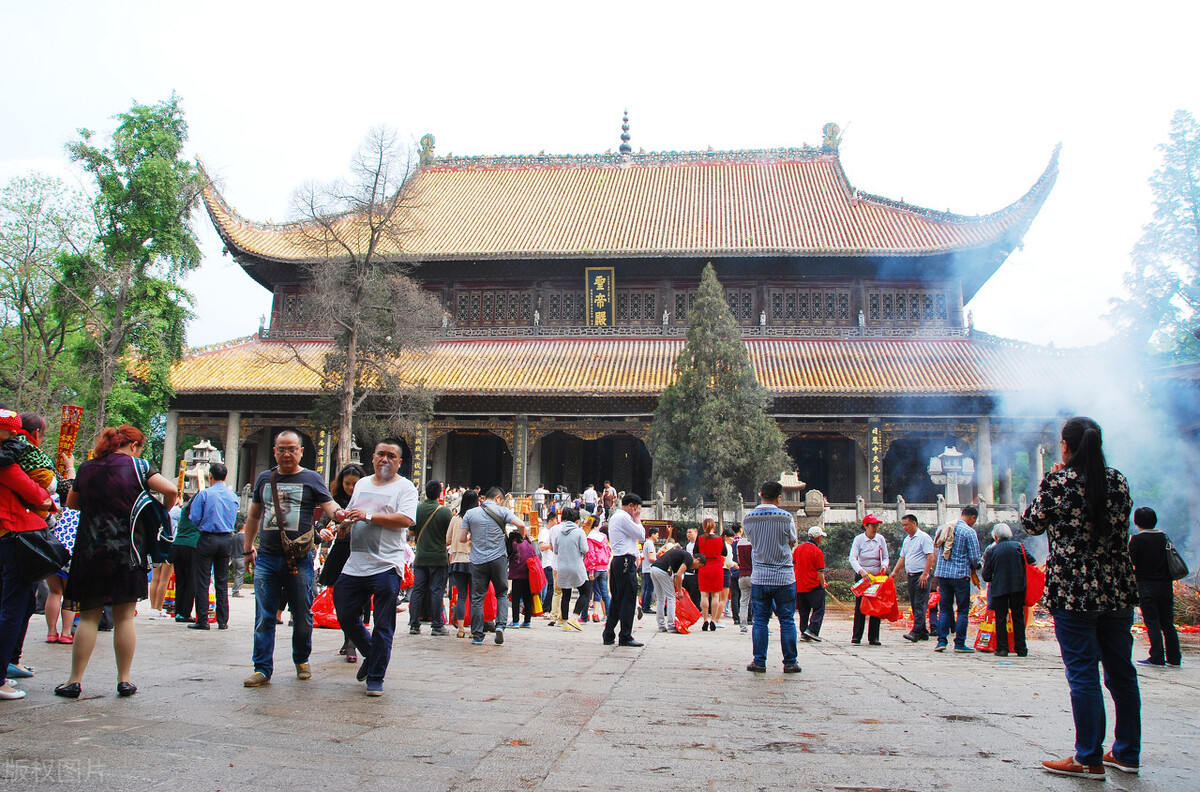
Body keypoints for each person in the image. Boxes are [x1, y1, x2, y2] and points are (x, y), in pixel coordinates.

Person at [1022, 416, 1141, 779]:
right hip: (1117, 587)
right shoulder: (1117, 480)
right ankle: (1127, 752)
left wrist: (1052, 481)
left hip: (1074, 590)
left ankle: (1088, 756)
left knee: (1083, 673)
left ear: (1066, 446)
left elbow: (1031, 524)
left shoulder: (1059, 482)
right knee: (1122, 673)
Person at [56, 424, 178, 699]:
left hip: (90, 551)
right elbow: (171, 491)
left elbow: (72, 503)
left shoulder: (88, 467)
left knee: (88, 617)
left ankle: (74, 681)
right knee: (124, 619)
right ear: (134, 446)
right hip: (127, 553)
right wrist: (157, 512)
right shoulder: (139, 466)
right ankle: (124, 680)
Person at [241, 430, 337, 688]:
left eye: (292, 449)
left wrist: (344, 514)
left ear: (301, 451)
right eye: (281, 449)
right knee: (264, 615)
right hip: (268, 557)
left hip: (300, 558)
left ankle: (302, 659)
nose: (287, 454)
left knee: (303, 614)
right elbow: (253, 516)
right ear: (274, 451)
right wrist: (248, 547)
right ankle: (262, 667)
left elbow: (331, 507)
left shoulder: (311, 478)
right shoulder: (265, 478)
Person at [332, 439, 418, 697]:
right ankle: (371, 654)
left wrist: (368, 516)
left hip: (386, 564)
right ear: (372, 458)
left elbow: (406, 519)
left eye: (391, 455)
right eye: (381, 454)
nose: (385, 459)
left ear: (399, 462)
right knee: (344, 611)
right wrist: (338, 527)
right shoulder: (361, 484)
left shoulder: (405, 487)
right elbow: (350, 515)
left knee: (383, 623)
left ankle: (376, 677)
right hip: (356, 562)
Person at [0, 408, 56, 701]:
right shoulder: (7, 464)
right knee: (13, 607)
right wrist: (47, 498)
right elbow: (38, 495)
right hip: (12, 534)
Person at [743, 481, 800, 675]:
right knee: (787, 620)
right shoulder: (786, 518)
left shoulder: (748, 518)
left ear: (760, 494)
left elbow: (751, 541)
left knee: (760, 620)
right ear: (779, 498)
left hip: (759, 576)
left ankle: (759, 661)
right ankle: (790, 662)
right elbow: (792, 541)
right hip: (784, 576)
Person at [459, 486, 525, 645]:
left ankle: (477, 635)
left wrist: (472, 536)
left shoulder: (470, 513)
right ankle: (500, 626)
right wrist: (519, 537)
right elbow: (522, 525)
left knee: (477, 597)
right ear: (498, 499)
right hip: (498, 559)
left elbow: (462, 539)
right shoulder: (503, 512)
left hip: (477, 560)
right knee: (501, 593)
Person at [319, 463, 365, 660]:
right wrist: (322, 530)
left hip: (361, 550)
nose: (351, 488)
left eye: (355, 484)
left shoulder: (366, 498)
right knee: (342, 598)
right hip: (342, 550)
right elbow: (322, 521)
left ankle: (352, 642)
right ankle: (349, 638)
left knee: (359, 598)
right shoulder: (335, 500)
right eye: (347, 484)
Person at [1128, 506, 1181, 667]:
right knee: (1167, 622)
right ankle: (1174, 657)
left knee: (1152, 622)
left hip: (1146, 585)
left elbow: (1132, 562)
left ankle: (1157, 657)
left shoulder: (1137, 540)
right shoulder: (1164, 537)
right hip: (1165, 585)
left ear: (1137, 522)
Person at [189, 462, 238, 630]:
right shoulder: (233, 496)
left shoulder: (204, 495)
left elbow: (194, 518)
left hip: (208, 538)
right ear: (225, 477)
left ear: (210, 476)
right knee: (222, 581)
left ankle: (202, 620)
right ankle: (223, 621)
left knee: (203, 580)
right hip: (226, 540)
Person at [933, 506, 982, 653]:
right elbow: (974, 558)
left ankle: (941, 641)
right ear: (973, 517)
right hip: (961, 576)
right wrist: (978, 566)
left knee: (945, 609)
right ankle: (959, 643)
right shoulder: (969, 531)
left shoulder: (944, 528)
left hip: (943, 575)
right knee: (962, 610)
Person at [602, 493, 646, 647]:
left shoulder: (616, 517)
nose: (638, 511)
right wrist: (637, 518)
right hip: (625, 561)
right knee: (627, 599)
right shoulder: (624, 517)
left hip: (620, 561)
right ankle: (625, 635)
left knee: (618, 599)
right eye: (637, 508)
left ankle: (609, 633)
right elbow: (641, 535)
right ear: (632, 506)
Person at [409, 480, 452, 637]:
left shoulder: (417, 509)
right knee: (436, 591)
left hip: (420, 557)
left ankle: (414, 624)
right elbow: (449, 535)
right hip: (439, 558)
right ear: (440, 493)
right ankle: (437, 625)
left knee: (417, 590)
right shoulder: (445, 512)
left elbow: (412, 533)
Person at [980, 523, 1027, 657]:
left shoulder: (991, 551)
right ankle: (1021, 648)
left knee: (1001, 618)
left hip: (999, 588)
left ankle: (1002, 648)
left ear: (995, 537)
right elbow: (1031, 561)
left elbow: (986, 575)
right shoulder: (1019, 546)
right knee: (1018, 616)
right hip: (1018, 587)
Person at [890, 513, 935, 642]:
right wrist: (894, 572)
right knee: (915, 604)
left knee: (920, 603)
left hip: (922, 575)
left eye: (906, 525)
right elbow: (902, 557)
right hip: (911, 575)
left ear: (914, 524)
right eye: (903, 525)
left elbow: (930, 557)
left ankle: (915, 632)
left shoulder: (923, 538)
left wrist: (925, 574)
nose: (904, 528)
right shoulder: (907, 540)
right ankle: (923, 632)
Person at [848, 514, 889, 646]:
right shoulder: (859, 539)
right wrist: (861, 571)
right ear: (866, 526)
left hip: (876, 576)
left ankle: (874, 637)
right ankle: (857, 635)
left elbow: (886, 557)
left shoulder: (880, 539)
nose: (876, 527)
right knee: (860, 605)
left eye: (877, 525)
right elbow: (852, 558)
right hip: (863, 575)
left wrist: (884, 566)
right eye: (873, 525)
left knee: (875, 606)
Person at [551, 507, 589, 632]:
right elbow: (585, 549)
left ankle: (565, 622)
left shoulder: (560, 533)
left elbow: (555, 550)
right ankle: (575, 616)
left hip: (562, 566)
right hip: (576, 565)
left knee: (565, 595)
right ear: (577, 520)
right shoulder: (579, 532)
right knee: (585, 592)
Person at [650, 544, 701, 632]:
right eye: (699, 566)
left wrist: (677, 586)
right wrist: (680, 591)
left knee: (661, 598)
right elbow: (678, 575)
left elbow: (675, 577)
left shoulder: (681, 557)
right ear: (697, 559)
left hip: (654, 569)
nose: (697, 568)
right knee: (671, 598)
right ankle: (671, 625)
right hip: (662, 570)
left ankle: (661, 625)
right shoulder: (689, 558)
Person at [447, 490, 477, 638]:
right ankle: (472, 629)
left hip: (458, 560)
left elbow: (448, 539)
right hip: (473, 560)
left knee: (461, 596)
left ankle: (460, 629)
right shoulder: (477, 518)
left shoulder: (455, 519)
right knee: (474, 596)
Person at [793, 526, 827, 641]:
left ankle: (803, 631)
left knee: (804, 611)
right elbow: (820, 571)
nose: (822, 539)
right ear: (817, 537)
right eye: (821, 536)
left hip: (800, 585)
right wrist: (823, 585)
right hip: (813, 585)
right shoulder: (817, 551)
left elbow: (793, 564)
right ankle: (812, 629)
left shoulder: (798, 549)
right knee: (819, 609)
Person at [695, 517, 726, 631]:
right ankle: (713, 619)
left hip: (704, 567)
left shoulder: (700, 538)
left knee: (704, 595)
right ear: (714, 526)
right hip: (717, 568)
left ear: (704, 526)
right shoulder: (720, 539)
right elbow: (725, 552)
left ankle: (704, 620)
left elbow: (695, 552)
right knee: (716, 596)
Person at [507, 521, 539, 628]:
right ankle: (527, 620)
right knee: (527, 597)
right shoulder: (529, 543)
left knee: (515, 597)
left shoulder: (515, 544)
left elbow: (508, 554)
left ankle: (515, 621)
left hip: (517, 574)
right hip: (528, 574)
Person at [584, 516, 611, 622]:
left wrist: (591, 570)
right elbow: (608, 551)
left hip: (593, 568)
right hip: (603, 567)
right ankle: (609, 616)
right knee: (604, 593)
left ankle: (584, 616)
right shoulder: (603, 537)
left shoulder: (589, 537)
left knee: (587, 592)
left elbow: (590, 554)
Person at [639, 525, 660, 615]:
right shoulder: (650, 544)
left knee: (646, 588)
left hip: (646, 568)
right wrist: (659, 561)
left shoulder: (647, 543)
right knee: (649, 588)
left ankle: (644, 605)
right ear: (653, 534)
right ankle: (646, 606)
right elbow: (651, 558)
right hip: (649, 569)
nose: (658, 537)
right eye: (657, 535)